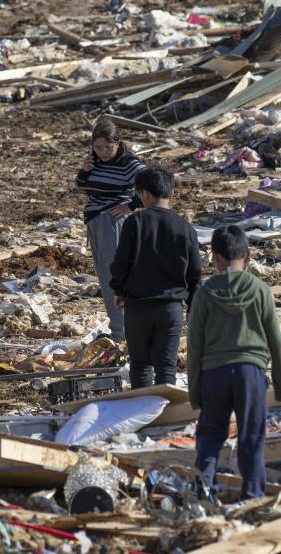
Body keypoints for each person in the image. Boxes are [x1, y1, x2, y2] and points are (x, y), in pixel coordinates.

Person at [187, 225, 281, 500]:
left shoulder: (205, 294)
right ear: (249, 256)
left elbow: (194, 348)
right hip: (250, 372)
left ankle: (202, 493)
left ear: (215, 257)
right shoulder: (260, 290)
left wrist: (195, 393)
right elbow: (276, 342)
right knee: (251, 438)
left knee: (209, 436)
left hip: (214, 373)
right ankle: (252, 496)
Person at [110, 166, 202, 389]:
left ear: (144, 194)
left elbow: (121, 262)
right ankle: (165, 415)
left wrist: (118, 289)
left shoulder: (134, 222)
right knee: (166, 365)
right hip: (171, 309)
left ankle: (143, 416)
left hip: (138, 306)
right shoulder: (185, 227)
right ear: (171, 194)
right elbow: (195, 272)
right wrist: (192, 305)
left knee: (140, 364)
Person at [76, 118, 146, 342]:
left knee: (114, 279)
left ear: (119, 143)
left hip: (114, 223)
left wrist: (131, 205)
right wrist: (84, 171)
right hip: (97, 220)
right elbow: (82, 186)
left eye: (108, 147)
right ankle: (122, 330)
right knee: (107, 278)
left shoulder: (127, 163)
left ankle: (123, 333)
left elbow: (153, 184)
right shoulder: (94, 161)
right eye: (98, 147)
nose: (103, 152)